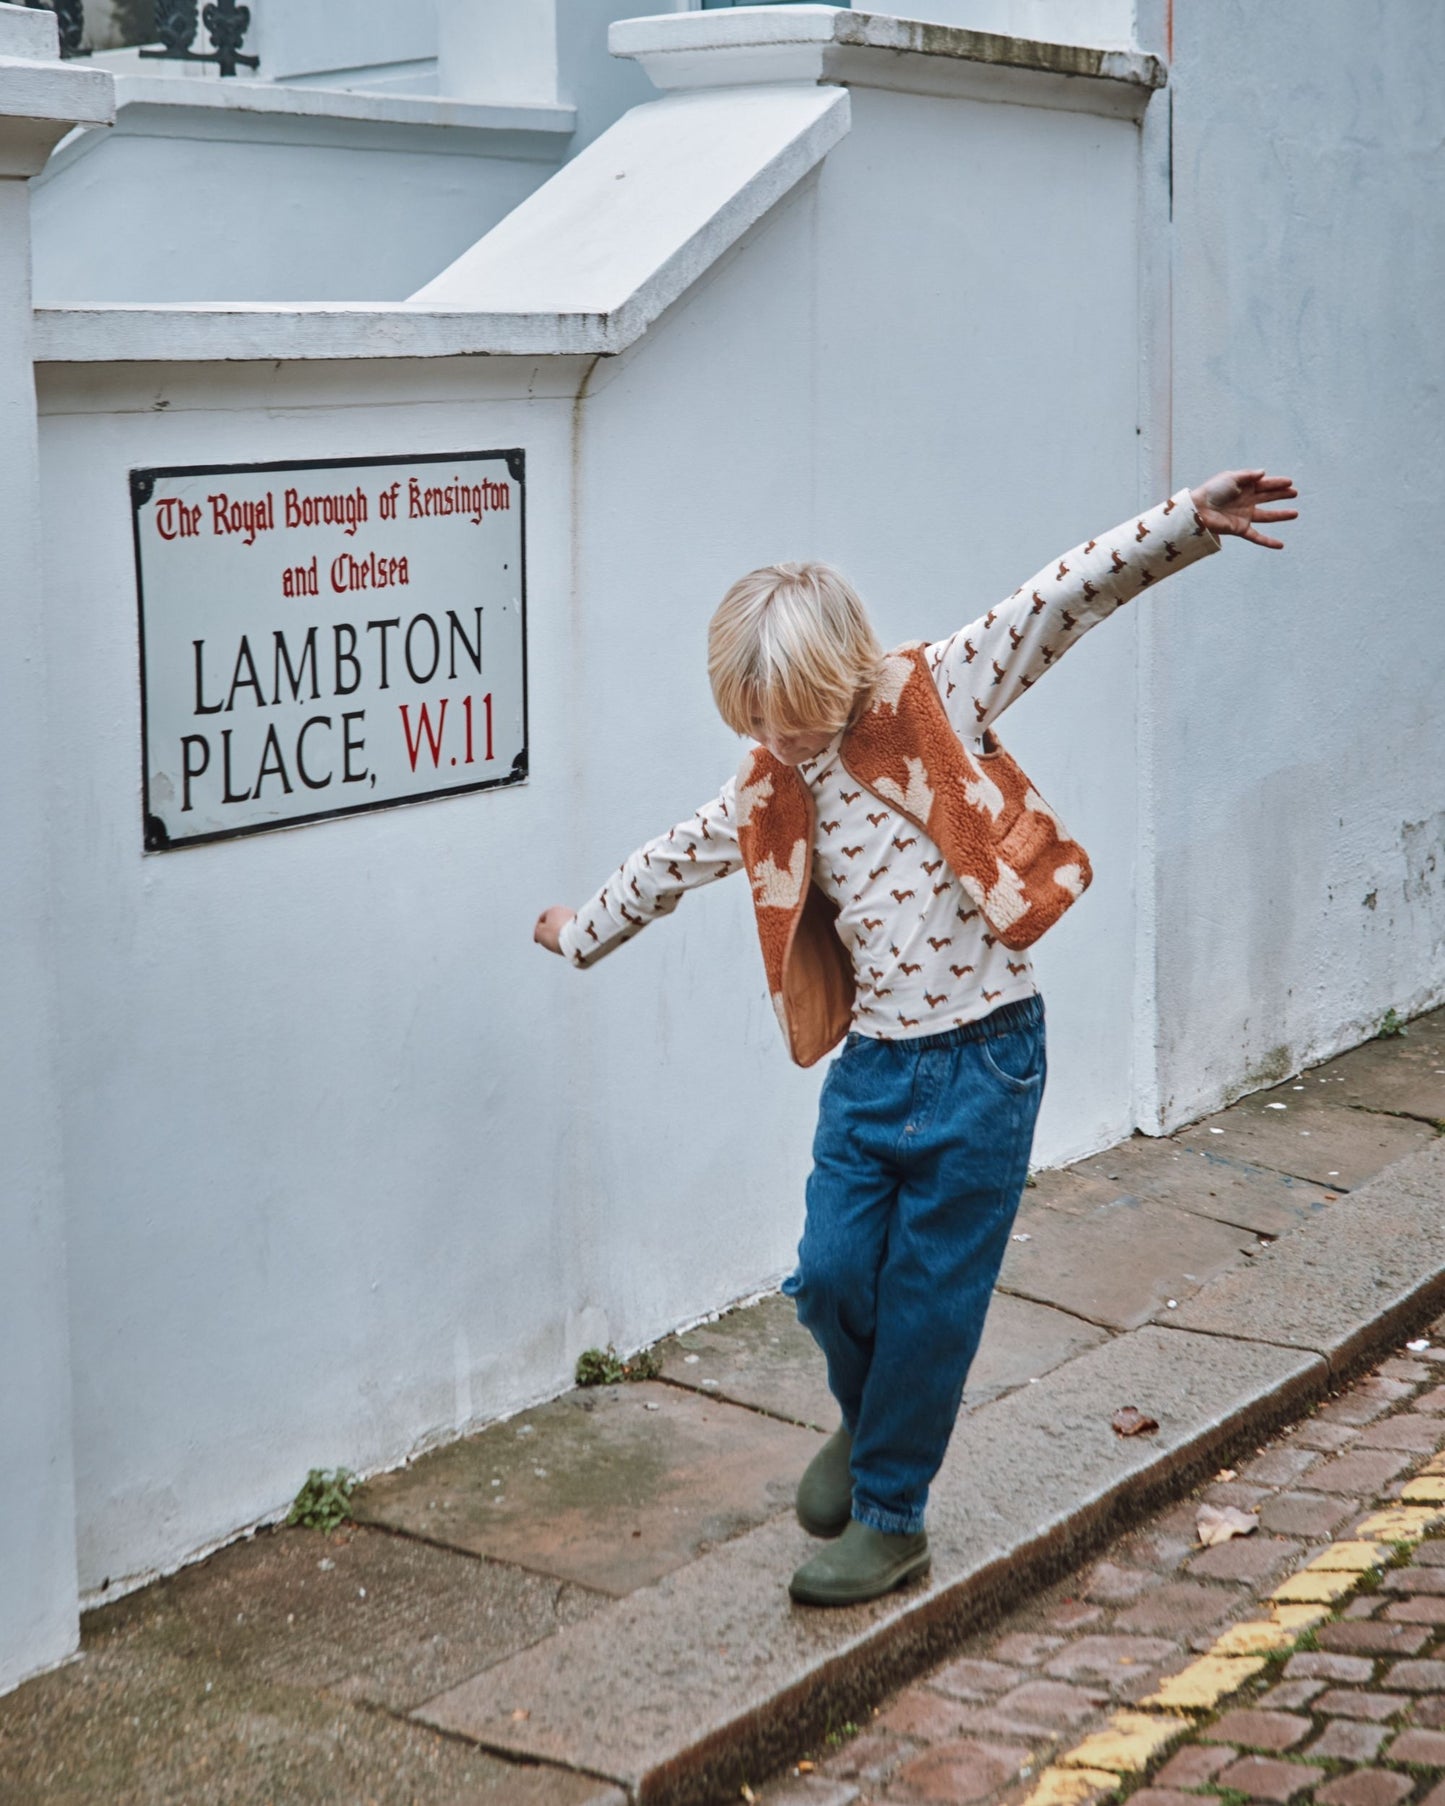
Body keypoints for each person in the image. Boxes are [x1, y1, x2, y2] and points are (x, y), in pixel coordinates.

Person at [534, 470, 1298, 1606]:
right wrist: (579, 929)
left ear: (839, 672)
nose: (772, 738)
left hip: (986, 1060)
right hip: (874, 1068)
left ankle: (891, 1518)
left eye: (785, 710)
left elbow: (1054, 600)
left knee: (932, 1297)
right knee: (831, 1278)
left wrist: (1186, 522)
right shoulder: (769, 781)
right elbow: (673, 859)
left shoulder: (935, 692)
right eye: (749, 718)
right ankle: (868, 1418)